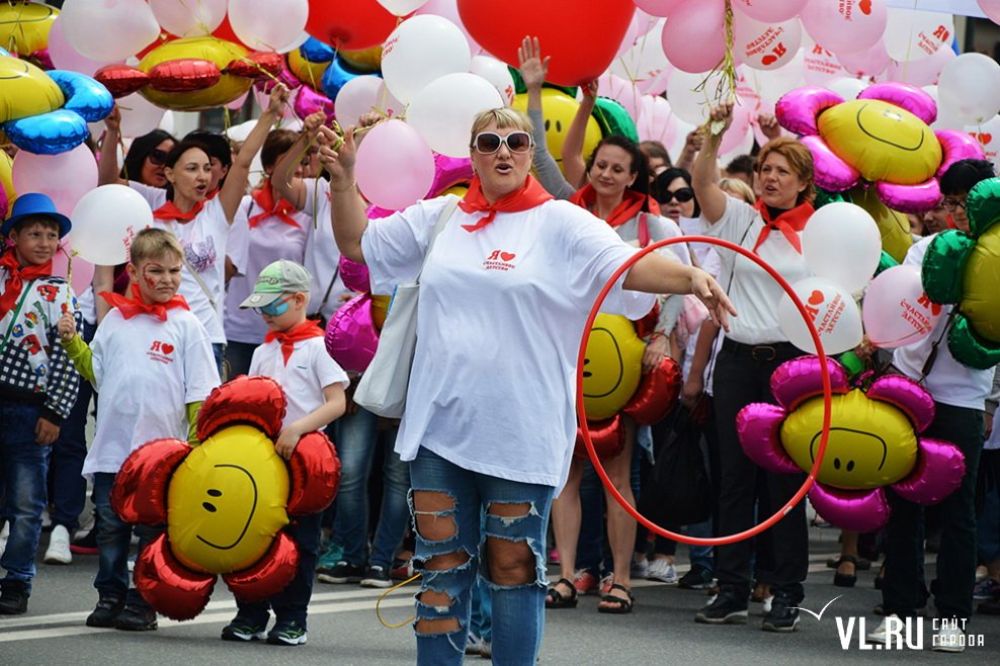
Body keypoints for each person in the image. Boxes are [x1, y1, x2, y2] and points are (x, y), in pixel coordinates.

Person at [317, 100, 733, 663]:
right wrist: (343, 182)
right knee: (442, 568)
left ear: (531, 153)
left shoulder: (561, 222)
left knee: (513, 566)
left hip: (523, 431)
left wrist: (689, 275)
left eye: (514, 142)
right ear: (472, 156)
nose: (502, 151)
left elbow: (627, 267)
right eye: (488, 143)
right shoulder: (441, 216)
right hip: (440, 430)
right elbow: (356, 244)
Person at [57, 228, 219, 631]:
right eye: (155, 271)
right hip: (114, 450)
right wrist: (73, 343)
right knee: (111, 527)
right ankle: (109, 595)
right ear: (132, 271)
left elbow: (200, 391)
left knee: (152, 530)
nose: (166, 279)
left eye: (174, 271)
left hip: (160, 456)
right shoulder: (114, 321)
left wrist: (196, 446)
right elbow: (97, 373)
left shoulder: (186, 325)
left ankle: (142, 601)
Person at [691, 102, 814, 632]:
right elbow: (702, 183)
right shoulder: (742, 218)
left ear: (803, 183)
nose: (768, 178)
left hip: (791, 365)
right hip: (739, 362)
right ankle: (732, 586)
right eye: (764, 169)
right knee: (734, 479)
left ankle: (786, 589)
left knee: (783, 480)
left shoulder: (819, 228)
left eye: (781, 172)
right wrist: (715, 136)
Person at [867, 158, 997, 652]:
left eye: (964, 204)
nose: (956, 213)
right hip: (910, 386)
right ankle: (900, 608)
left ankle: (953, 616)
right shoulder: (921, 251)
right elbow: (896, 311)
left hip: (964, 396)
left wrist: (991, 402)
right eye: (949, 203)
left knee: (959, 512)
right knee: (902, 502)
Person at [221, 259, 348, 646]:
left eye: (273, 306)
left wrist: (298, 428)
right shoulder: (264, 351)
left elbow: (337, 402)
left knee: (302, 542)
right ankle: (251, 613)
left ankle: (293, 618)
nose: (265, 315)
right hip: (263, 463)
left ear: (299, 300)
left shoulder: (318, 347)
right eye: (260, 307)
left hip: (307, 463)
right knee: (254, 537)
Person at [151, 84, 291, 373]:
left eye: (206, 168)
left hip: (207, 338)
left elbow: (242, 165)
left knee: (201, 418)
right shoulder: (154, 223)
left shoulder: (216, 214)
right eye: (191, 169)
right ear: (169, 174)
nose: (202, 176)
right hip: (160, 337)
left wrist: (269, 115)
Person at [0, 193, 80, 615]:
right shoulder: (0, 279)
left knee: (27, 504)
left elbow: (70, 360)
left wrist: (55, 412)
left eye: (52, 235)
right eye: (35, 233)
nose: (46, 242)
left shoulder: (60, 293)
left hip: (31, 410)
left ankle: (16, 580)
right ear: (13, 237)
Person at [223, 129, 312, 376]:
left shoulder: (308, 217)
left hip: (285, 332)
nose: (300, 170)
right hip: (238, 330)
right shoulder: (244, 206)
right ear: (271, 166)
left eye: (304, 162)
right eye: (291, 161)